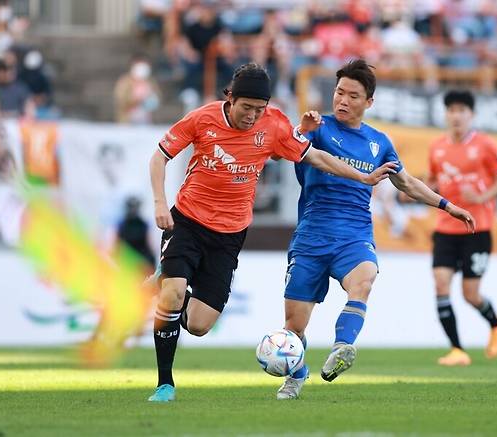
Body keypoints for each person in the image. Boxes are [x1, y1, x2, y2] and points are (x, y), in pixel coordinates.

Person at [147, 62, 397, 402]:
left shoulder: (274, 124)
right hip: (188, 220)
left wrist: (362, 177)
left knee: (199, 324)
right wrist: (161, 203)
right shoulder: (201, 119)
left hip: (230, 233)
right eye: (246, 107)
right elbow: (159, 157)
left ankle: (165, 287)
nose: (252, 116)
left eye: (259, 109)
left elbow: (317, 158)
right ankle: (165, 383)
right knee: (174, 293)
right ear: (230, 98)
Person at [275, 60, 476, 400]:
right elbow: (285, 151)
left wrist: (448, 205)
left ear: (368, 102)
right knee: (294, 326)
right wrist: (301, 129)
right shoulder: (319, 127)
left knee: (364, 280)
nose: (343, 100)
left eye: (353, 95)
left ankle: (342, 347)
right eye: (339, 92)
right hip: (312, 234)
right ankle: (297, 373)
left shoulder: (378, 142)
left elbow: (407, 183)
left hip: (354, 234)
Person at [427, 90, 497, 366]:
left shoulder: (485, 145)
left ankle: (496, 324)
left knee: (470, 294)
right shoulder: (437, 148)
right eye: (451, 110)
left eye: (462, 110)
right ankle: (457, 350)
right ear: (446, 114)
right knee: (440, 284)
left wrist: (482, 198)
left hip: (477, 230)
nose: (456, 115)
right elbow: (433, 180)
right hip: (445, 229)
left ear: (471, 114)